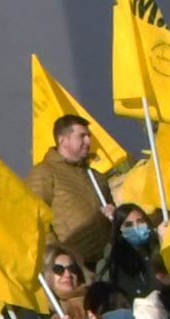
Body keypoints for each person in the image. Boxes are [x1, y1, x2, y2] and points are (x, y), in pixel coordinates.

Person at [29, 115, 119, 271]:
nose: (88, 142)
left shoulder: (96, 176)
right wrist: (58, 257)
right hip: (75, 267)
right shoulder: (44, 173)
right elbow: (34, 218)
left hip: (111, 261)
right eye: (82, 136)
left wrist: (116, 217)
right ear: (63, 140)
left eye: (89, 136)